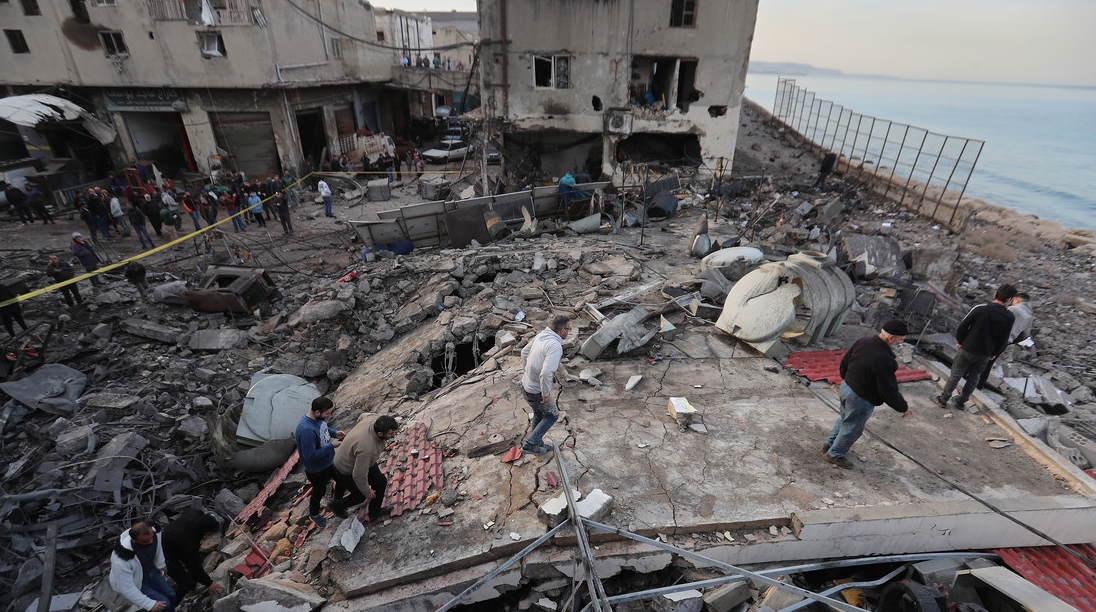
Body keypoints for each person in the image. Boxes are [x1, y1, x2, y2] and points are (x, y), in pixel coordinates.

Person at [823, 320, 913, 469]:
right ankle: (834, 454)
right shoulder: (884, 359)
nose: (901, 343)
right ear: (891, 338)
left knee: (845, 418)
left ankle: (829, 444)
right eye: (901, 340)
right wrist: (903, 407)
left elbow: (845, 361)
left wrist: (847, 379)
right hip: (860, 398)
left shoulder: (864, 341)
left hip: (846, 388)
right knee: (853, 427)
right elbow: (889, 389)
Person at [935, 283, 1017, 410]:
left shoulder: (980, 309)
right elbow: (1003, 339)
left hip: (967, 348)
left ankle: (943, 399)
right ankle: (961, 401)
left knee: (956, 374)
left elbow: (963, 325)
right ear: (1009, 300)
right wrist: (995, 353)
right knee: (974, 378)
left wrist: (960, 340)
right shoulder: (1009, 317)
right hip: (985, 353)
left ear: (995, 294)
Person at [330, 414, 398, 523]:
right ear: (380, 433)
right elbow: (358, 475)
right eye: (390, 433)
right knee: (360, 496)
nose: (393, 435)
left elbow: (362, 415)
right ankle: (335, 506)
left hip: (356, 458)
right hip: (345, 467)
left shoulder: (374, 419)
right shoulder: (367, 449)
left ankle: (374, 513)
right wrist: (367, 491)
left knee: (381, 482)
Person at [519, 316, 571, 455]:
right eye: (568, 329)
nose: (569, 332)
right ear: (561, 330)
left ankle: (537, 443)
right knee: (552, 415)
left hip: (526, 385)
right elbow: (547, 372)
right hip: (536, 390)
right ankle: (530, 444)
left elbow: (524, 352)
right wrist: (546, 393)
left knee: (539, 413)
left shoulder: (542, 335)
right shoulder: (554, 345)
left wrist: (528, 373)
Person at [293, 397, 345, 529]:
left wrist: (334, 433)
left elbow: (323, 429)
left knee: (342, 480)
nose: (330, 416)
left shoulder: (318, 419)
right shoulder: (306, 430)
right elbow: (309, 456)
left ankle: (337, 505)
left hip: (329, 461)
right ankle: (314, 514)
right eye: (327, 413)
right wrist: (331, 446)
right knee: (319, 491)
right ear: (317, 412)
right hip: (317, 469)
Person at [161, 509, 225, 602]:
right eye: (209, 534)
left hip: (169, 538)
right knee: (185, 584)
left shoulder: (194, 514)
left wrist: (200, 534)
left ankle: (193, 586)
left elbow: (198, 512)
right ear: (205, 531)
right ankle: (169, 605)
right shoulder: (188, 544)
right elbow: (194, 566)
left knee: (197, 560)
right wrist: (209, 583)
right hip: (165, 555)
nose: (208, 536)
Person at [109, 521, 174, 612]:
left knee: (171, 594)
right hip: (137, 582)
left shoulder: (154, 533)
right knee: (164, 604)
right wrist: (149, 604)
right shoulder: (121, 560)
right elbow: (126, 587)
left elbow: (158, 547)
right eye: (146, 541)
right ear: (134, 540)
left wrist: (161, 564)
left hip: (151, 572)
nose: (151, 541)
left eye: (151, 538)